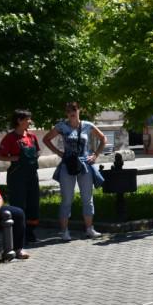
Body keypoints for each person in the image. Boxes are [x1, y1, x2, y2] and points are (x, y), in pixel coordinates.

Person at [44, 102, 106, 241]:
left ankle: (89, 229)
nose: (71, 112)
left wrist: (95, 155)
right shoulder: (61, 126)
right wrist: (59, 153)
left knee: (87, 198)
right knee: (67, 199)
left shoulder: (87, 126)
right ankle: (65, 231)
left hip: (84, 164)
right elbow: (46, 139)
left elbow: (103, 139)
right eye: (68, 110)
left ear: (79, 110)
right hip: (68, 164)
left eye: (74, 109)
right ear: (66, 113)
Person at [0, 110, 42, 243]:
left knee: (33, 204)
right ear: (19, 120)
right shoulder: (10, 138)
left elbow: (38, 151)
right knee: (18, 205)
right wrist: (16, 157)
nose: (30, 121)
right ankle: (18, 234)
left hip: (32, 175)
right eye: (28, 119)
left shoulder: (32, 136)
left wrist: (32, 157)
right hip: (17, 176)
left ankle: (30, 233)